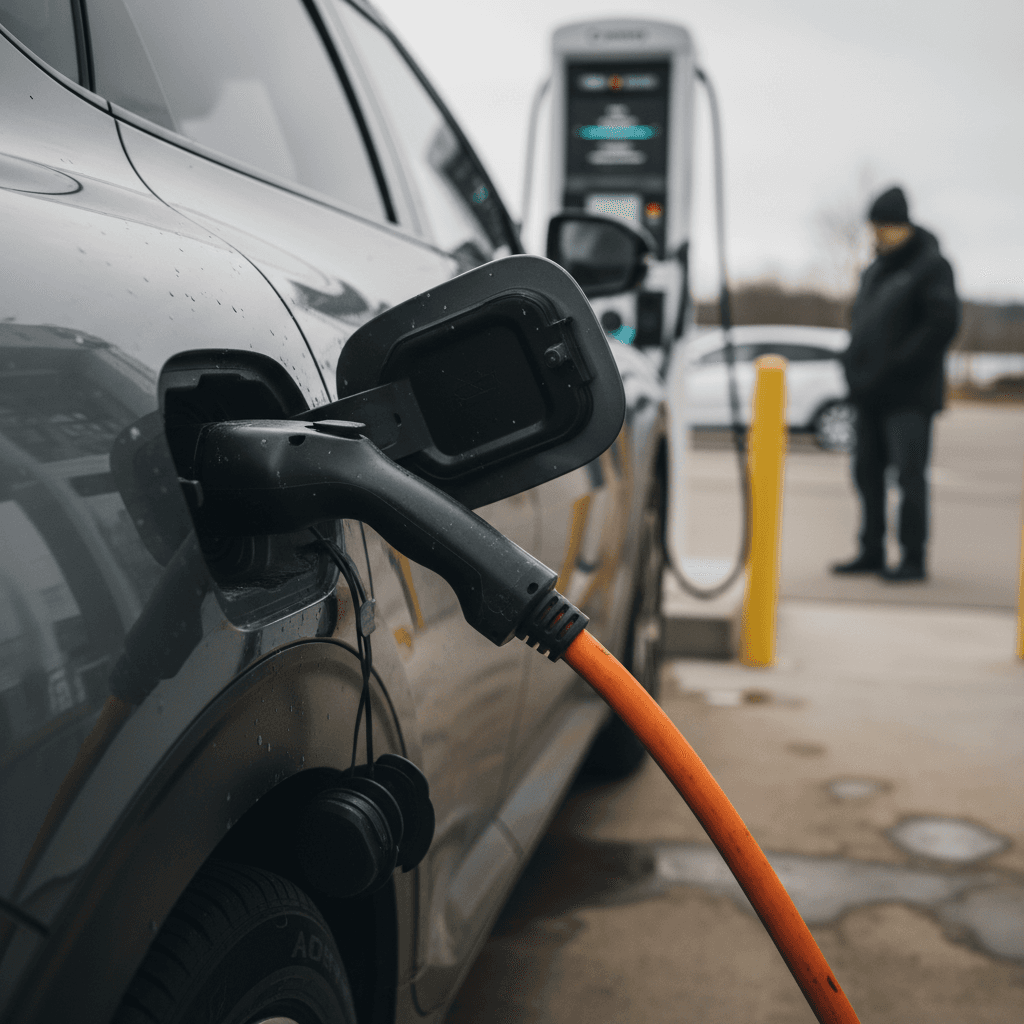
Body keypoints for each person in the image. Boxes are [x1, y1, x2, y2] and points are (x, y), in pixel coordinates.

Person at [833, 186, 960, 581]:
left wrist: (897, 365)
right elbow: (861, 324)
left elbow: (941, 325)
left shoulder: (931, 266)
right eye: (874, 227)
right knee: (866, 473)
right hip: (869, 393)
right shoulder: (875, 270)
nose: (877, 234)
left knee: (908, 476)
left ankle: (912, 558)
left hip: (908, 395)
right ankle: (870, 550)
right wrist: (852, 365)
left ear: (901, 225)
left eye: (883, 227)